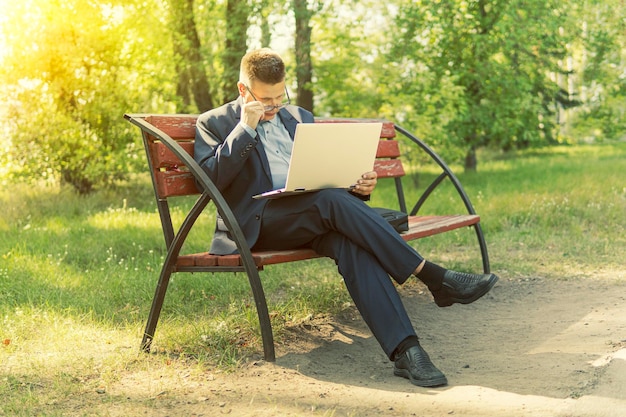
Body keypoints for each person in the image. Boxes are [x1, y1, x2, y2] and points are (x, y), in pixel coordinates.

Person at [194, 48, 498, 387]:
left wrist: (359, 186)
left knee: (350, 240)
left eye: (280, 98)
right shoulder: (215, 123)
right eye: (266, 101)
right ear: (243, 90)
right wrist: (245, 128)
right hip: (258, 223)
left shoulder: (299, 117)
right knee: (330, 203)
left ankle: (406, 351)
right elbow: (210, 181)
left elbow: (328, 176)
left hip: (316, 213)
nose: (274, 107)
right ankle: (433, 276)